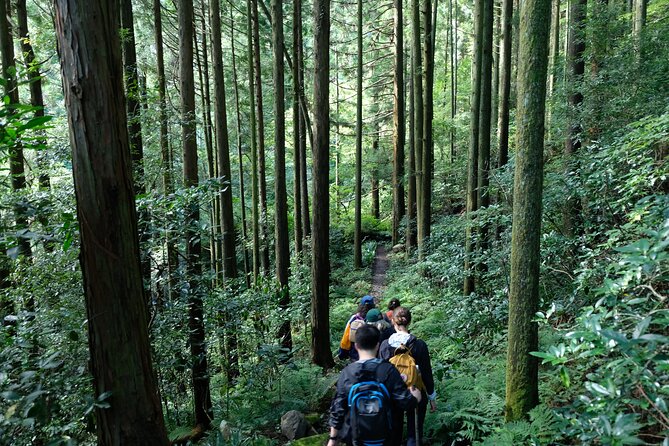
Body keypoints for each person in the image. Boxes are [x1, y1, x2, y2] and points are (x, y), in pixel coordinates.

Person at [327, 324, 422, 446]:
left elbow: (338, 408)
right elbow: (404, 402)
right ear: (378, 345)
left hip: (356, 439)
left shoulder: (347, 373)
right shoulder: (389, 370)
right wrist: (415, 397)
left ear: (356, 346)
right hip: (387, 438)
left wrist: (333, 439)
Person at [380, 307, 437, 446]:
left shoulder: (384, 346)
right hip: (415, 391)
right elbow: (427, 373)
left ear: (392, 321)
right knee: (414, 431)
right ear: (409, 322)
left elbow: (381, 374)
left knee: (394, 431)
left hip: (393, 394)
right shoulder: (419, 345)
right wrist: (431, 397)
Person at [338, 295, 375, 361]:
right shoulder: (375, 318)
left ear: (360, 305)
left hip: (355, 355)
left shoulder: (354, 318)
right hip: (372, 355)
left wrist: (342, 354)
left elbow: (346, 338)